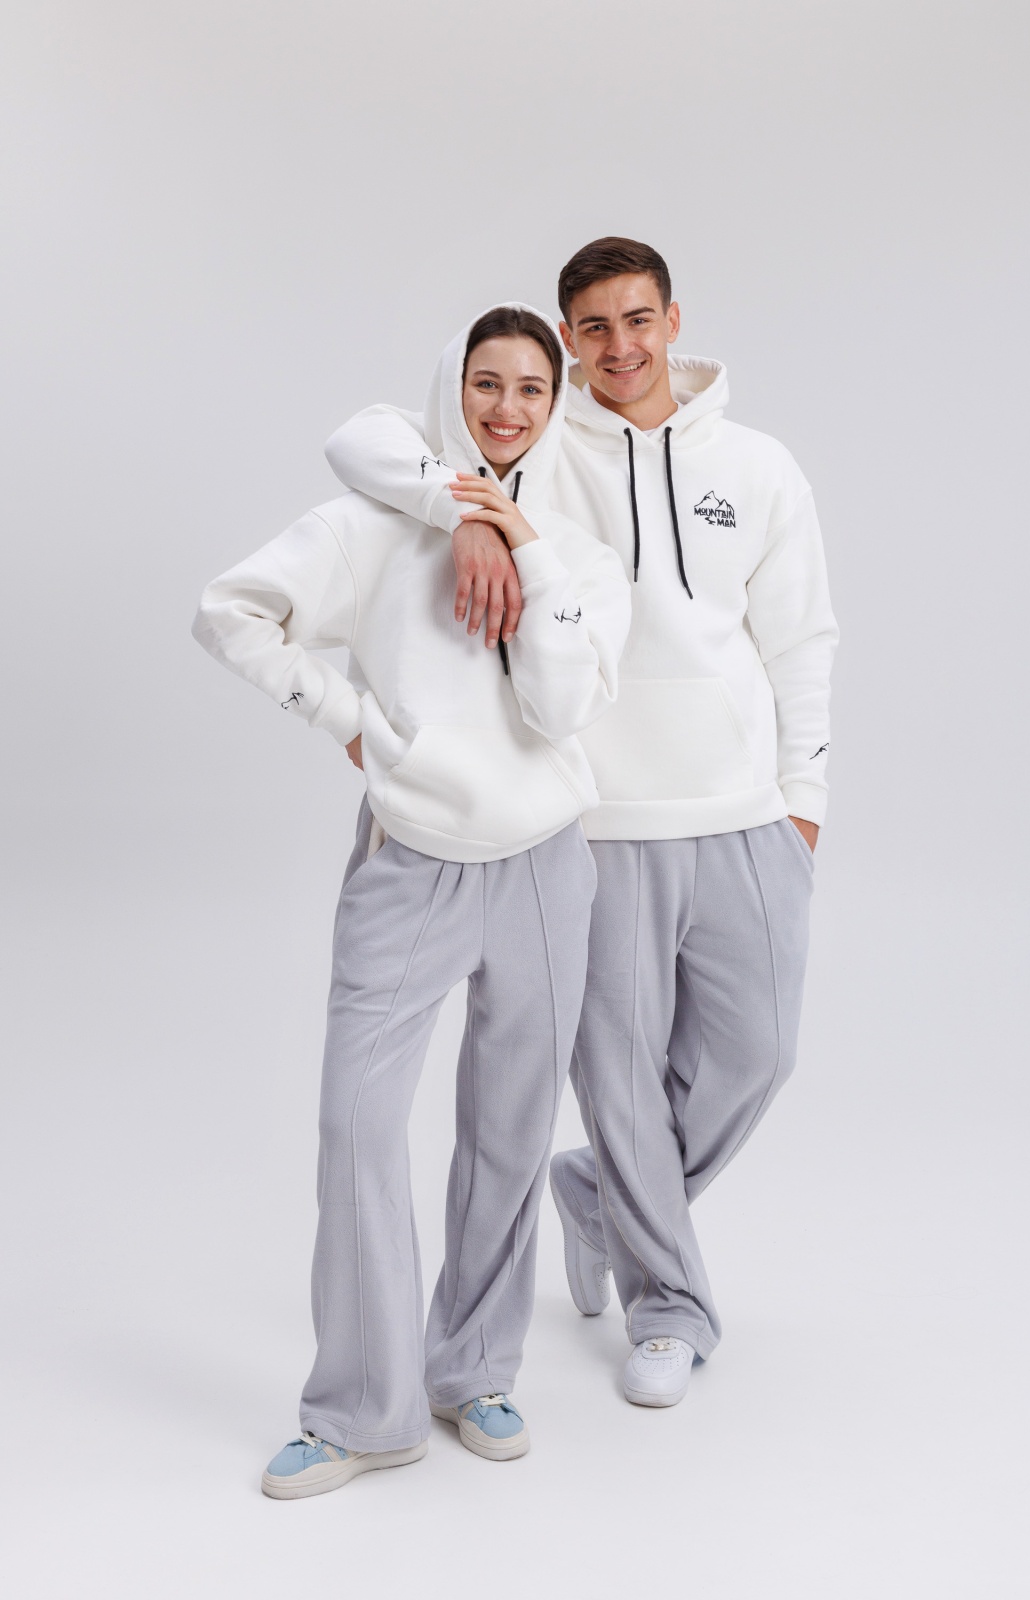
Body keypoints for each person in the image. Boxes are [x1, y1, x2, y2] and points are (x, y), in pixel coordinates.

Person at [323, 237, 839, 1409]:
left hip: (744, 812)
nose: (618, 346)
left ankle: (599, 1197)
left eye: (636, 320)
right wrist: (462, 511)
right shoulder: (540, 451)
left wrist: (802, 801)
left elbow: (801, 637)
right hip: (590, 822)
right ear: (566, 341)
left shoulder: (757, 465)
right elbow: (364, 439)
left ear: (672, 321)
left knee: (756, 1055)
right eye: (592, 328)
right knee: (618, 1083)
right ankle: (670, 1303)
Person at [193, 304, 631, 1496]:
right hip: (409, 862)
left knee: (509, 1130)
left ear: (555, 403)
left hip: (545, 863)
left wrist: (517, 542)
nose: (505, 408)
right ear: (452, 389)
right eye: (484, 383)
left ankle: (472, 1369)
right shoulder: (376, 521)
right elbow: (229, 608)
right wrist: (345, 715)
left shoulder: (581, 553)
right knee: (357, 1126)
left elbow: (557, 708)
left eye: (530, 389)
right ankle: (357, 1410)